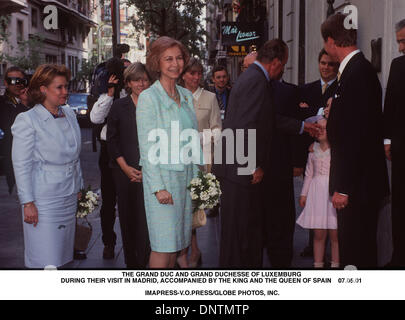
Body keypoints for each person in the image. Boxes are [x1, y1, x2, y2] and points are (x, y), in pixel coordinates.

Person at [321, 13, 389, 268]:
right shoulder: (355, 70)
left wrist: (343, 187)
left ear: (330, 41)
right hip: (359, 185)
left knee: (357, 255)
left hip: (356, 188)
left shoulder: (357, 73)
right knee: (356, 253)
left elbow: (356, 137)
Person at [214, 39, 288, 268]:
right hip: (239, 171)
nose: (284, 68)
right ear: (276, 62)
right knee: (240, 238)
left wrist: (304, 126)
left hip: (235, 169)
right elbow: (243, 125)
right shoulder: (257, 80)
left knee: (240, 236)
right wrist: (252, 164)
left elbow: (262, 119)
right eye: (284, 63)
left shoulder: (251, 77)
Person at [136, 36, 201, 269]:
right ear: (157, 62)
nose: (175, 63)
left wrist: (197, 181)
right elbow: (147, 147)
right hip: (162, 183)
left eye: (179, 57)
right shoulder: (148, 98)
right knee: (163, 249)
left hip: (184, 181)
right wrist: (158, 187)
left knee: (178, 247)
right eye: (168, 59)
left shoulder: (185, 95)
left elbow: (192, 139)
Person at [11, 64, 83, 268]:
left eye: (66, 86)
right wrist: (27, 202)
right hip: (44, 201)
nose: (65, 92)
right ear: (43, 89)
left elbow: (75, 156)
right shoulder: (27, 120)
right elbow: (21, 164)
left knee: (63, 258)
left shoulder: (69, 114)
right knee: (47, 261)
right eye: (59, 87)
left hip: (68, 196)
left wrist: (79, 186)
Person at [107, 62, 152, 268]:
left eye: (144, 79)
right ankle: (132, 265)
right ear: (128, 83)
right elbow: (112, 140)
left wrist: (149, 168)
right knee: (127, 218)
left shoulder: (155, 105)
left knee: (147, 220)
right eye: (136, 80)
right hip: (124, 171)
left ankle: (146, 262)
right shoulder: (118, 106)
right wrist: (125, 168)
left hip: (150, 171)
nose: (141, 83)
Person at [179, 57, 222, 268]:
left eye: (198, 74)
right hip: (178, 161)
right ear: (183, 75)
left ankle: (190, 251)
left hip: (201, 161)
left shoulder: (210, 98)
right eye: (191, 73)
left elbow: (217, 128)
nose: (195, 78)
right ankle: (190, 250)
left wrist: (203, 138)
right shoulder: (174, 96)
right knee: (183, 209)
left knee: (193, 208)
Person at [298, 49, 339, 258]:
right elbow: (299, 119)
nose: (326, 67)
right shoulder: (307, 89)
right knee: (314, 208)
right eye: (323, 63)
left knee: (332, 219)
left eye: (331, 64)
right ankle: (312, 245)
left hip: (331, 153)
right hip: (311, 152)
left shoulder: (341, 90)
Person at [90, 57, 127, 260]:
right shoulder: (106, 95)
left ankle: (134, 240)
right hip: (109, 153)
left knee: (130, 199)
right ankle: (109, 242)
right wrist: (109, 93)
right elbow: (95, 118)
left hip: (129, 149)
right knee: (108, 201)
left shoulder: (132, 96)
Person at [297, 118, 339, 269]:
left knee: (335, 234)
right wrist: (304, 194)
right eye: (318, 128)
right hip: (316, 194)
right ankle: (318, 265)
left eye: (325, 128)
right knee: (319, 233)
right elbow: (308, 174)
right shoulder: (312, 151)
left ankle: (336, 265)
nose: (321, 131)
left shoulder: (336, 151)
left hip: (331, 193)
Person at [383, 19, 405, 267]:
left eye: (403, 41)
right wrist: (387, 140)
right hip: (401, 151)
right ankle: (400, 258)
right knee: (400, 207)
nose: (400, 47)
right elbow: (389, 106)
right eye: (398, 41)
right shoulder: (398, 66)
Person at [0, 67, 29, 194]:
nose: (18, 84)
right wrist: (23, 105)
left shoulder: (33, 101)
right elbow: (10, 126)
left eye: (21, 81)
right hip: (13, 164)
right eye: (13, 81)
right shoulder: (2, 103)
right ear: (6, 83)